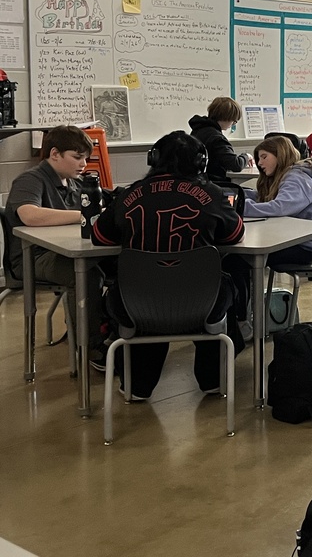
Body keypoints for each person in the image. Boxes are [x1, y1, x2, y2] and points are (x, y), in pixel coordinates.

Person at [91, 131, 246, 399]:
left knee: (147, 292)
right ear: (201, 163)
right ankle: (212, 379)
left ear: (153, 158)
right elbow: (235, 235)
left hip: (136, 303)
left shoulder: (129, 194)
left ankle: (137, 386)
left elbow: (99, 236)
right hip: (202, 301)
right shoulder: (212, 194)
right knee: (226, 281)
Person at [6, 125, 107, 365]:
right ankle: (90, 347)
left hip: (64, 251)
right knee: (86, 275)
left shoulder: (74, 182)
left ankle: (109, 330)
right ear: (54, 154)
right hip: (34, 258)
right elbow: (30, 215)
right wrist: (85, 214)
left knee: (116, 265)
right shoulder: (30, 179)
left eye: (86, 158)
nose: (83, 164)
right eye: (77, 157)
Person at [244, 136, 312, 269]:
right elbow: (267, 197)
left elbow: (279, 207)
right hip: (291, 239)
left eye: (264, 157)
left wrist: (243, 206)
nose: (259, 163)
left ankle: (246, 290)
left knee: (238, 258)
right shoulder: (287, 175)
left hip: (302, 247)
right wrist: (241, 195)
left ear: (280, 155)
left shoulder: (296, 178)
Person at [189, 97, 253, 185]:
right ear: (227, 117)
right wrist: (246, 156)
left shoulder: (198, 130)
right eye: (234, 121)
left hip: (196, 181)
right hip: (213, 184)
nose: (233, 124)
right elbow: (235, 165)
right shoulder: (217, 138)